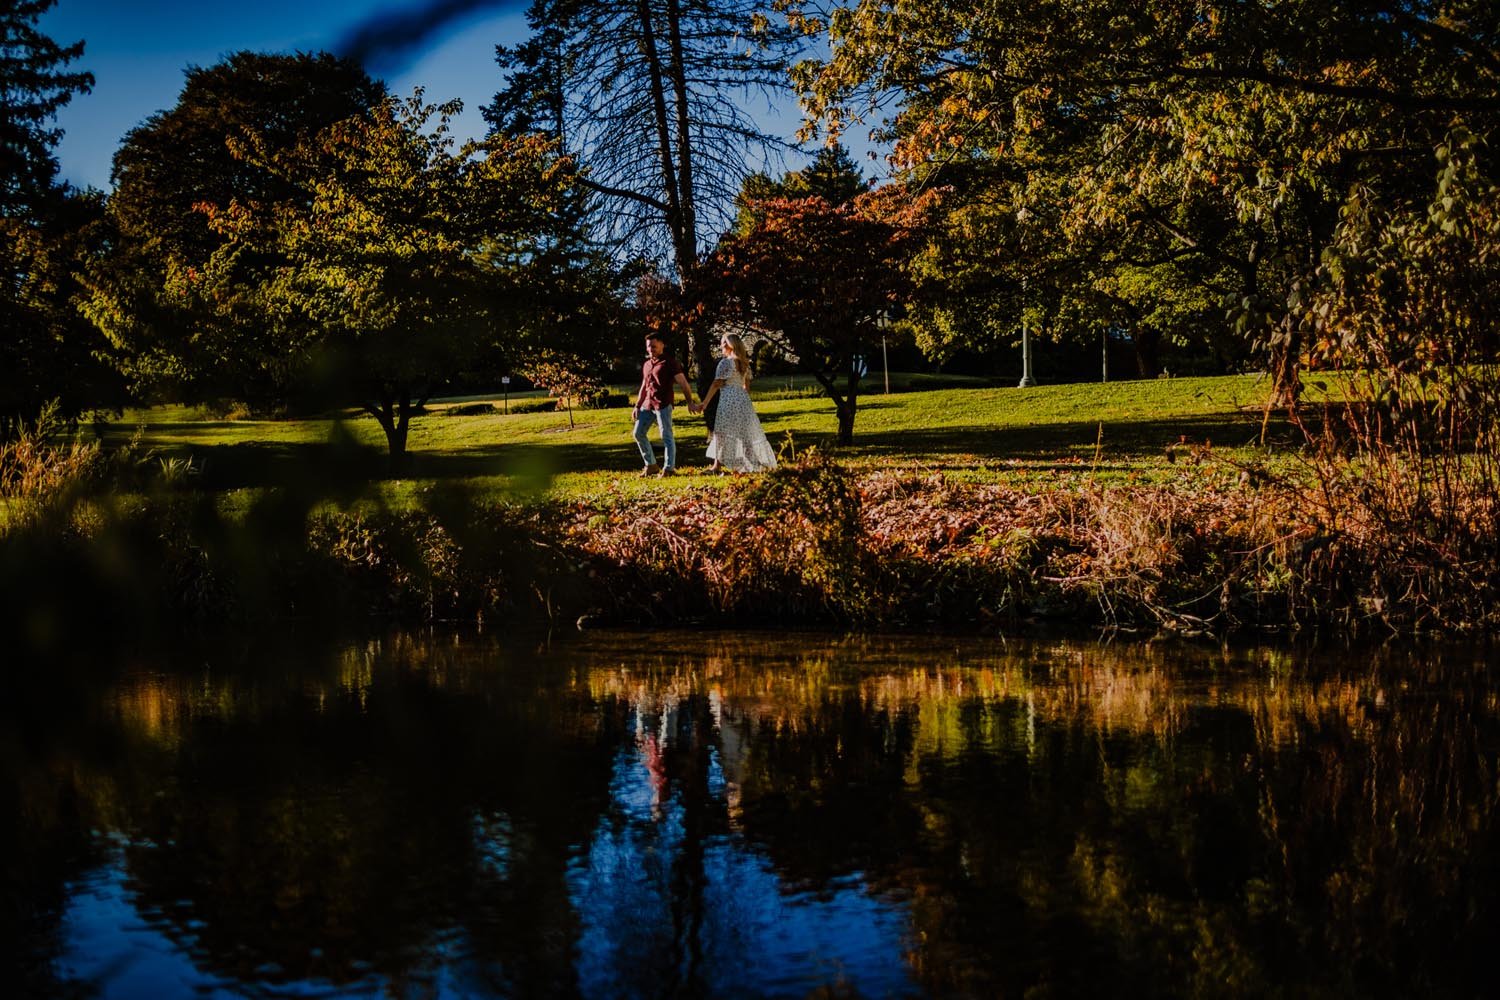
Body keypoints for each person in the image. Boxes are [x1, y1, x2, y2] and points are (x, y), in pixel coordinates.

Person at [690, 333, 777, 473]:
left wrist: (705, 402)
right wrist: (743, 402)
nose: (721, 345)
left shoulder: (726, 362)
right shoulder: (744, 363)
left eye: (723, 342)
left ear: (730, 344)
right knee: (744, 432)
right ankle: (753, 464)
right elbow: (746, 387)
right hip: (743, 400)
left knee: (721, 432)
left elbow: (716, 383)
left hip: (728, 399)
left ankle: (716, 466)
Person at [632, 332, 696, 477]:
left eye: (654, 346)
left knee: (666, 436)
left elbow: (684, 384)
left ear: (662, 345)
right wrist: (637, 405)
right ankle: (651, 465)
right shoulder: (647, 364)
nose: (651, 349)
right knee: (638, 433)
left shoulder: (669, 363)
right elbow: (644, 385)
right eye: (649, 346)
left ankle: (669, 469)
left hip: (663, 405)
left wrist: (690, 402)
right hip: (647, 405)